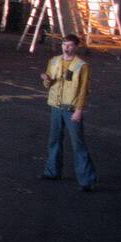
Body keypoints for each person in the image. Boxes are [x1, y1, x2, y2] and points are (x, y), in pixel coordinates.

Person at [40, 33, 97, 192]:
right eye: (64, 44)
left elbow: (83, 90)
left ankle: (87, 180)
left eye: (70, 45)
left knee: (78, 144)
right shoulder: (54, 61)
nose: (67, 47)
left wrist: (79, 110)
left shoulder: (82, 66)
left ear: (76, 47)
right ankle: (52, 172)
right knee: (54, 140)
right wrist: (46, 79)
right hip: (56, 107)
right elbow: (48, 84)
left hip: (71, 109)